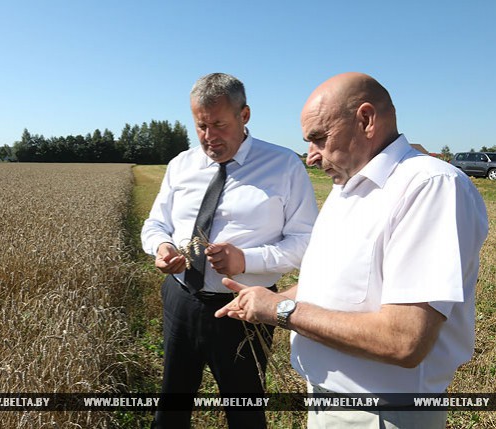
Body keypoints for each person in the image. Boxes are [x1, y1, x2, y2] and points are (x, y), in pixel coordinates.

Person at [216, 72, 489, 429]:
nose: (311, 156)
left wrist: (281, 310)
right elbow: (336, 284)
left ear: (366, 119)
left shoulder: (430, 187)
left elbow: (404, 340)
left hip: (381, 415)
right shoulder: (347, 190)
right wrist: (269, 299)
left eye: (318, 138)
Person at [141, 72, 318, 428]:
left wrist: (245, 260)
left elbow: (306, 244)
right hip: (181, 299)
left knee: (245, 410)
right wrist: (161, 248)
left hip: (245, 310)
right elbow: (155, 224)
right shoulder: (181, 165)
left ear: (245, 115)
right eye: (201, 126)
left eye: (219, 124)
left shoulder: (284, 165)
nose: (209, 137)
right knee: (172, 403)